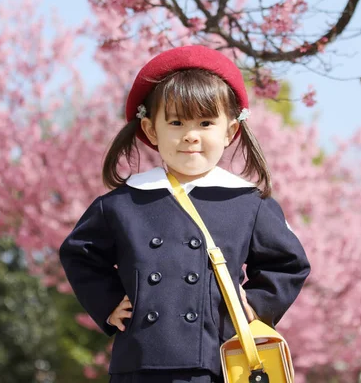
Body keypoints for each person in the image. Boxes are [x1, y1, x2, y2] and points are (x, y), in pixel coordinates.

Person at [59, 45, 311, 383]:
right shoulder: (122, 203)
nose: (191, 135)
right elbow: (79, 252)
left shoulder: (248, 203)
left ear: (230, 131)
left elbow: (289, 263)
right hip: (139, 362)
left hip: (216, 361)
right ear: (150, 130)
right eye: (176, 122)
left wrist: (257, 304)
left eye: (206, 123)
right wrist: (107, 303)